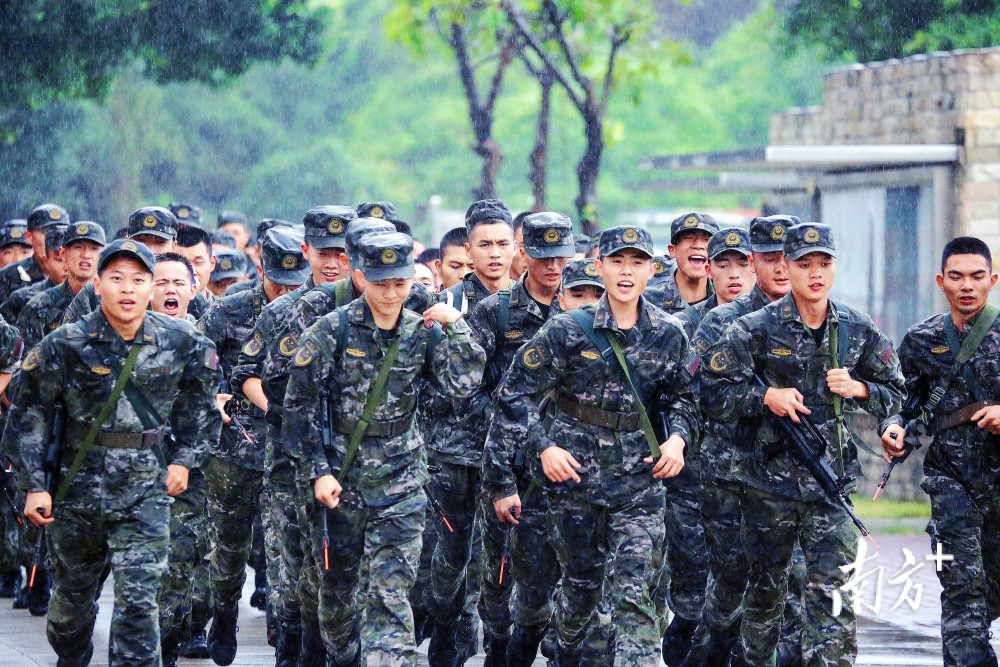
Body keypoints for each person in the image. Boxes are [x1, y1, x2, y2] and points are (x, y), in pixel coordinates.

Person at [4, 238, 221, 666]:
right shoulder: (64, 345)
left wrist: (185, 460)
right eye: (117, 278)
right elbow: (27, 413)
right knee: (68, 616)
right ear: (98, 284)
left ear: (151, 286)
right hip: (77, 491)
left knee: (140, 606)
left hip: (145, 491)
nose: (128, 289)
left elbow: (204, 403)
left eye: (140, 280)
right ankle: (74, 649)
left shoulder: (183, 341)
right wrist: (33, 486)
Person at [492, 225, 700, 667]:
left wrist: (679, 439)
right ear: (600, 265)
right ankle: (564, 651)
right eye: (618, 262)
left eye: (637, 263)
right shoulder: (567, 331)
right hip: (574, 484)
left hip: (640, 486)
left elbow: (688, 399)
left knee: (634, 593)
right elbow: (514, 396)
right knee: (580, 593)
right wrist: (543, 448)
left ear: (652, 270)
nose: (627, 273)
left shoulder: (670, 334)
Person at [701, 223, 905, 667]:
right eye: (804, 264)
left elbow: (898, 391)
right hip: (764, 490)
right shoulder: (753, 329)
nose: (815, 274)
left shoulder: (855, 328)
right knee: (765, 598)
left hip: (830, 487)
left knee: (834, 595)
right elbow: (707, 393)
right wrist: (762, 397)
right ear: (786, 267)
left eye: (824, 263)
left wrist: (861, 391)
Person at [283, 231, 486, 667]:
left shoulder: (422, 332)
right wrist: (318, 472)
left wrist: (458, 327)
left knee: (390, 592)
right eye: (381, 284)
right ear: (361, 278)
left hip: (402, 482)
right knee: (336, 598)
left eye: (400, 283)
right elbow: (298, 412)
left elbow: (462, 386)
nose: (392, 294)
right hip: (341, 482)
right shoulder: (330, 332)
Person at [879, 236, 1000, 667]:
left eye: (976, 276)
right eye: (956, 277)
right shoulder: (921, 340)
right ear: (941, 282)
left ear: (993, 280)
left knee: (989, 595)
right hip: (952, 484)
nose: (966, 285)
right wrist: (893, 429)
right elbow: (904, 405)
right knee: (963, 593)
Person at [682, 215, 796, 666]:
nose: (783, 269)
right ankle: (706, 653)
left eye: (790, 259)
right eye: (771, 259)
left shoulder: (824, 319)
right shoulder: (720, 322)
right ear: (757, 262)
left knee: (791, 586)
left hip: (797, 479)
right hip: (730, 474)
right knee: (732, 581)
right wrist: (763, 398)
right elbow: (699, 392)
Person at [468, 210, 575, 667]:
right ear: (524, 254)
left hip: (571, 463)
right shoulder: (498, 312)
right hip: (509, 463)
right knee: (500, 572)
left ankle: (549, 643)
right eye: (544, 257)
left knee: (566, 569)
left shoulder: (586, 310)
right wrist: (508, 434)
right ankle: (499, 643)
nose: (553, 268)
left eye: (562, 258)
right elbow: (468, 389)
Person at [485, 256, 603, 667]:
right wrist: (502, 484)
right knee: (532, 607)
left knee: (589, 605)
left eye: (596, 294)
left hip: (596, 494)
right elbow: (507, 410)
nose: (587, 302)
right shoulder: (548, 344)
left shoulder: (618, 345)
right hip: (535, 493)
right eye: (578, 294)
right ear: (561, 299)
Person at [198, 227, 307, 666]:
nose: (285, 290)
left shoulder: (312, 308)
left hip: (285, 447)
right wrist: (213, 394)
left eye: (293, 282)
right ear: (261, 267)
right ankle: (223, 612)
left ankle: (284, 636)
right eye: (278, 281)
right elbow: (198, 360)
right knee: (229, 547)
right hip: (236, 445)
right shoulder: (230, 309)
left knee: (283, 551)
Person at [425, 199, 516, 667]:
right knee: (452, 555)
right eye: (485, 244)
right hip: (456, 450)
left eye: (503, 243)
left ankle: (495, 639)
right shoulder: (449, 304)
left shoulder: (528, 303)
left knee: (500, 560)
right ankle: (447, 628)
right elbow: (438, 380)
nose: (494, 254)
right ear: (469, 247)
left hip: (511, 456)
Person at [17, 222, 106, 351]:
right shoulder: (39, 307)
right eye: (78, 247)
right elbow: (26, 362)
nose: (86, 255)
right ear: (63, 254)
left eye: (94, 248)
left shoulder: (112, 303)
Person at [647, 212, 718, 313]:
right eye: (689, 238)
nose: (698, 245)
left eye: (707, 239)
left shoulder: (725, 301)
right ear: (672, 250)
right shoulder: (648, 302)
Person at [0, 204, 69, 308]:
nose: (53, 238)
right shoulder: (7, 277)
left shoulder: (80, 275)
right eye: (46, 232)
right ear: (29, 237)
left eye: (61, 232)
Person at [2, 223, 69, 326]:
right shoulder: (22, 299)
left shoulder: (99, 299)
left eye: (73, 259)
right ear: (46, 261)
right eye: (59, 259)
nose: (67, 267)